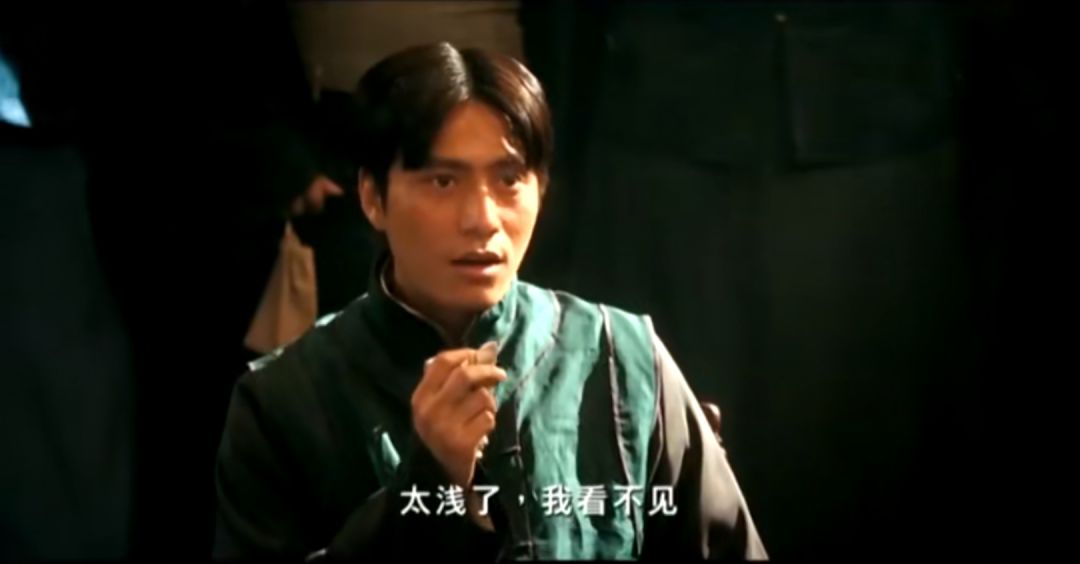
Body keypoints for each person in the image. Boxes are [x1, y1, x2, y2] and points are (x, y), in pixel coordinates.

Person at [212, 42, 767, 561]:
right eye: (443, 182)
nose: (482, 219)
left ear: (541, 189)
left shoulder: (625, 358)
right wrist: (429, 484)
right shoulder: (283, 402)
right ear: (373, 197)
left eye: (508, 180)